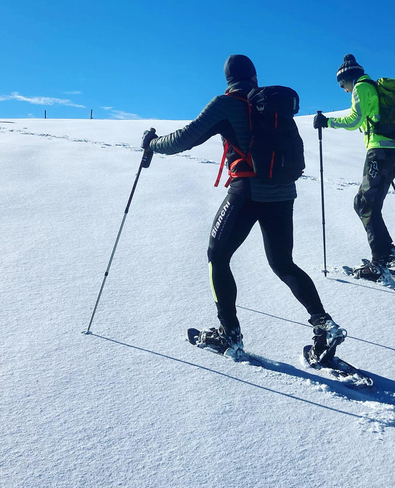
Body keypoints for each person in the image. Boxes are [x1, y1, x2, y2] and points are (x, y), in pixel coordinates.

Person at [141, 54, 346, 366]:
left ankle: (230, 335)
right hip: (282, 193)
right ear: (253, 77)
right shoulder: (269, 104)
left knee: (217, 256)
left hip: (247, 190)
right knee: (283, 263)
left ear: (228, 78)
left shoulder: (227, 103)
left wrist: (152, 143)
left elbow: (185, 139)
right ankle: (323, 325)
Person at [313, 54, 395, 281]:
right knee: (366, 203)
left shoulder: (362, 87)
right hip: (390, 151)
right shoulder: (370, 86)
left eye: (342, 85)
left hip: (381, 151)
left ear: (348, 78)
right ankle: (386, 253)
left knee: (365, 204)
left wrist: (328, 122)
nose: (344, 90)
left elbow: (355, 120)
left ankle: (382, 259)